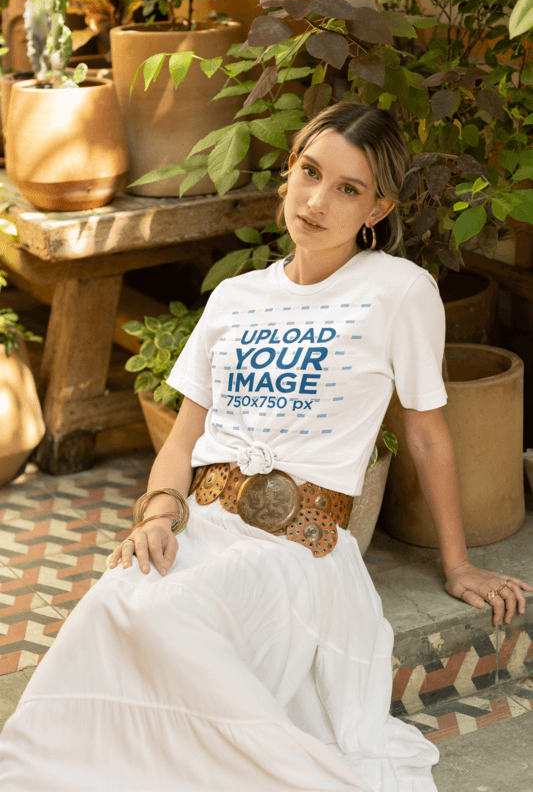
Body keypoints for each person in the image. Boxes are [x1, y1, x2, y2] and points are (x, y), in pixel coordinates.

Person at [0, 102, 531, 792]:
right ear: (288, 172)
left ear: (377, 208)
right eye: (309, 172)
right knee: (112, 603)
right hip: (203, 523)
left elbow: (427, 434)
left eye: (347, 188)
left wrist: (456, 563)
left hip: (298, 550)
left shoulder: (398, 291)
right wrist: (157, 516)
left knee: (167, 613)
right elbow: (186, 431)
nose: (316, 201)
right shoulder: (235, 297)